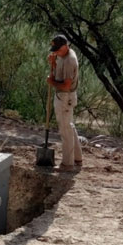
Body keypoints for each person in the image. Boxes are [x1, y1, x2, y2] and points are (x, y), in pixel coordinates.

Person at [48, 33, 83, 171]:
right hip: (63, 97)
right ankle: (77, 158)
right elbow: (58, 70)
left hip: (65, 97)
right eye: (54, 50)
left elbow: (66, 85)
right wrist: (53, 63)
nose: (56, 52)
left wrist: (52, 82)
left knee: (65, 130)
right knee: (69, 126)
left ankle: (67, 164)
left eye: (58, 50)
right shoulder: (62, 55)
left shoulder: (70, 60)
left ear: (66, 45)